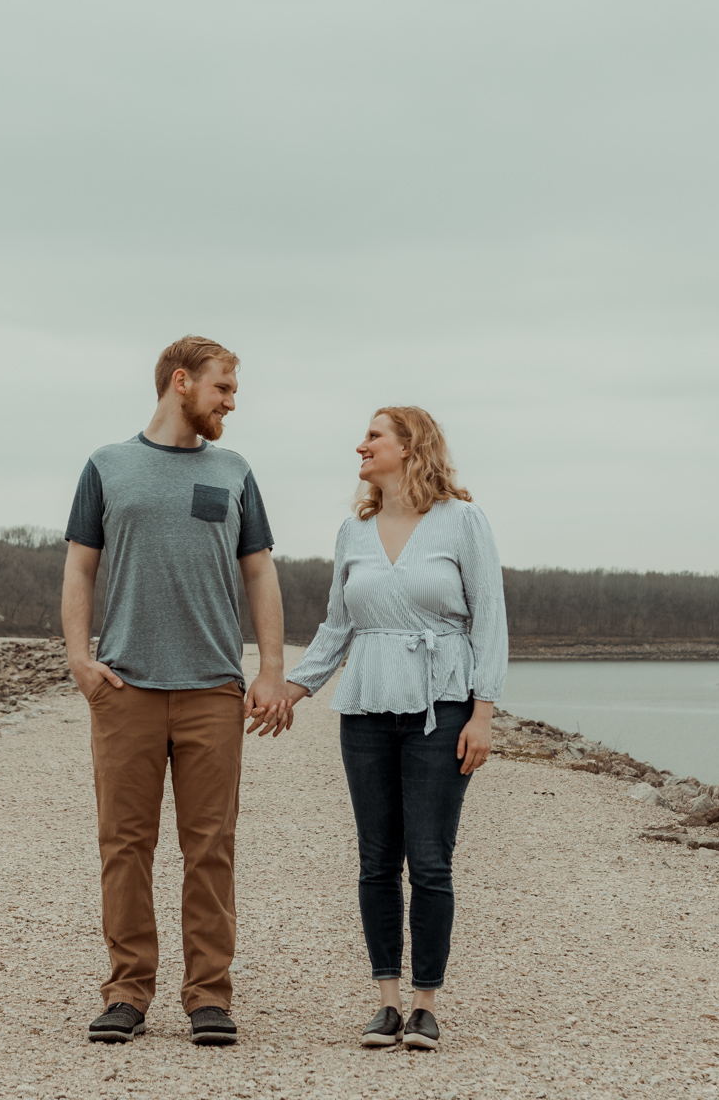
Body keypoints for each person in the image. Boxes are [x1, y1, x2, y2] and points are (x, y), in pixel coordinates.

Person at [61, 335, 296, 1046]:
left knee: (211, 848)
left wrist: (271, 669)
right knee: (124, 846)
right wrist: (79, 659)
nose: (232, 403)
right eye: (224, 388)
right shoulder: (107, 466)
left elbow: (259, 573)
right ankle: (127, 992)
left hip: (212, 691)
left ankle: (209, 997)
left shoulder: (235, 471)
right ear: (182, 382)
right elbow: (79, 570)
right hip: (126, 687)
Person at [280, 406, 507, 1051]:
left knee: (430, 860)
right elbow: (337, 624)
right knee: (378, 860)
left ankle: (426, 1004)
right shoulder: (354, 533)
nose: (361, 446)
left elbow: (489, 619)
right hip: (366, 710)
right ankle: (385, 1002)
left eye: (374, 436)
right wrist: (295, 689)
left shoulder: (463, 522)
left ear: (411, 448)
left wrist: (483, 713)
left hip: (443, 709)